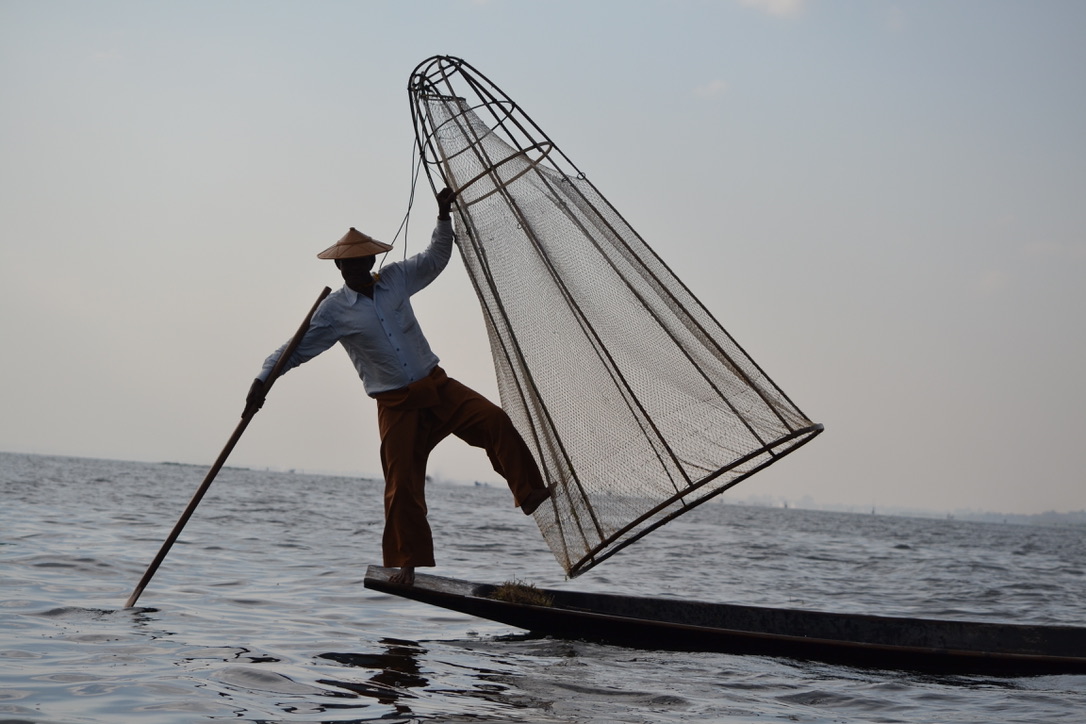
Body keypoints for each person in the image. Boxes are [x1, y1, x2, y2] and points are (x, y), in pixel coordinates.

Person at [245, 188, 551, 585]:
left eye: (362, 262)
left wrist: (443, 217)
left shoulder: (396, 278)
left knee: (493, 420)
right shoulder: (334, 310)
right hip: (395, 404)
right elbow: (295, 349)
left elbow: (435, 258)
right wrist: (261, 381)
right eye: (348, 265)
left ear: (372, 260)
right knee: (402, 485)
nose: (356, 269)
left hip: (436, 386)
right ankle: (406, 565)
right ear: (339, 270)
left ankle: (529, 494)